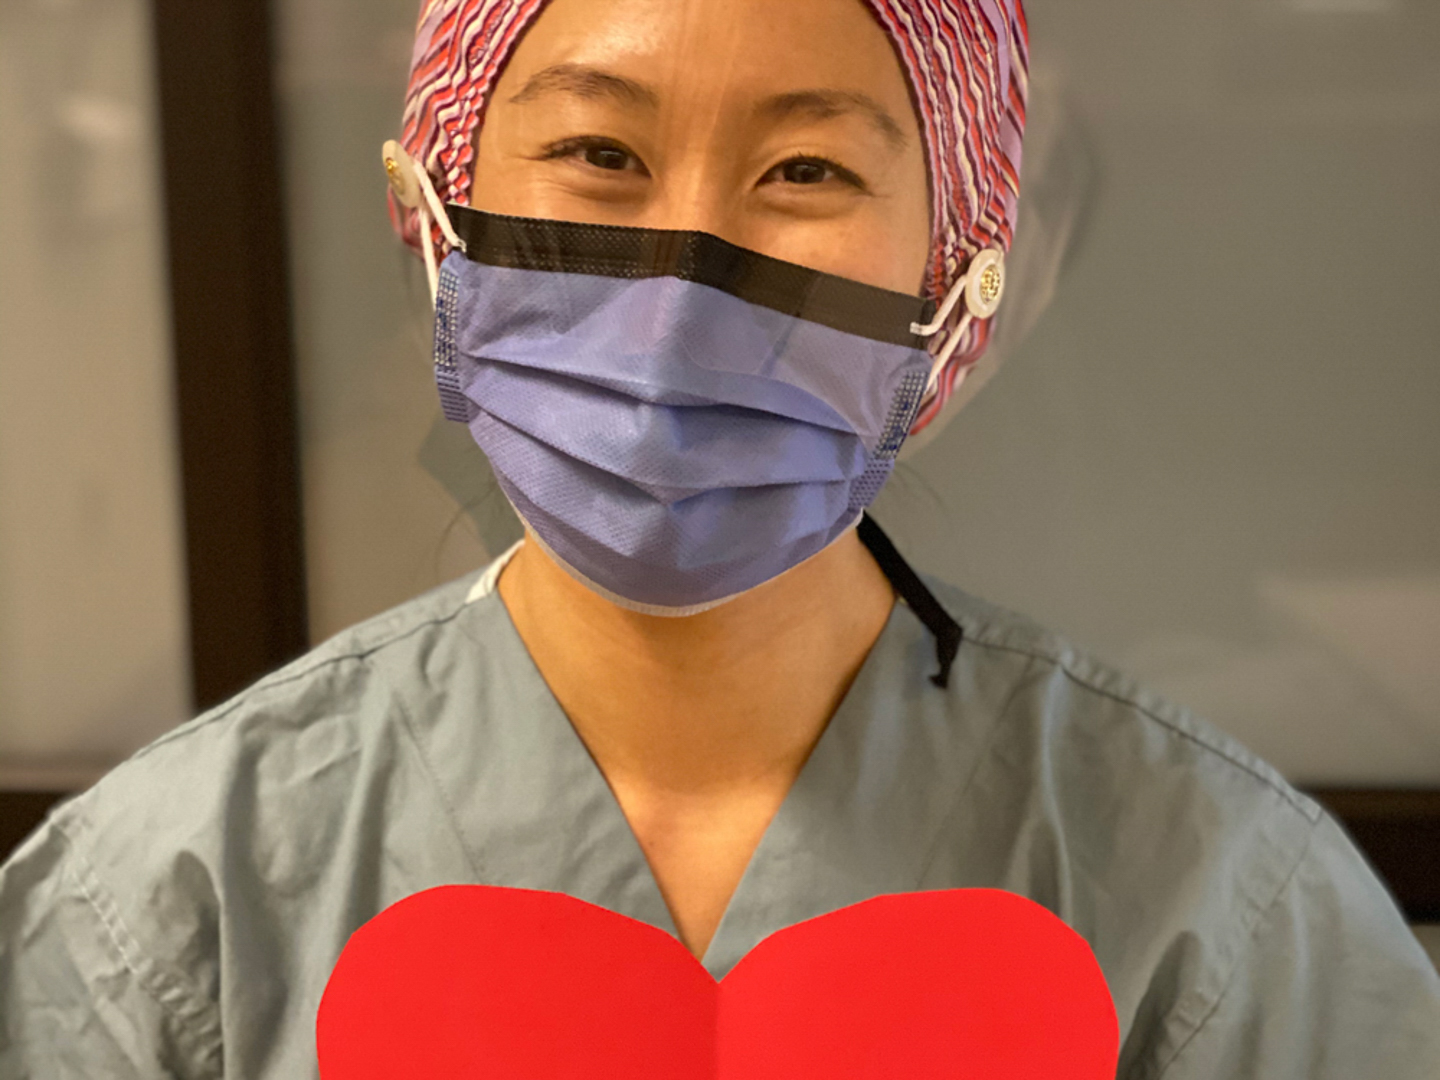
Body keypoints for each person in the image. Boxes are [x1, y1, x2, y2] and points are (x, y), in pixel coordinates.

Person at [1, 0, 1437, 1076]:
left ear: (960, 279)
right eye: (597, 151)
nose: (680, 291)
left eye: (806, 171)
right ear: (428, 208)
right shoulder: (179, 899)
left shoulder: (1218, 907)